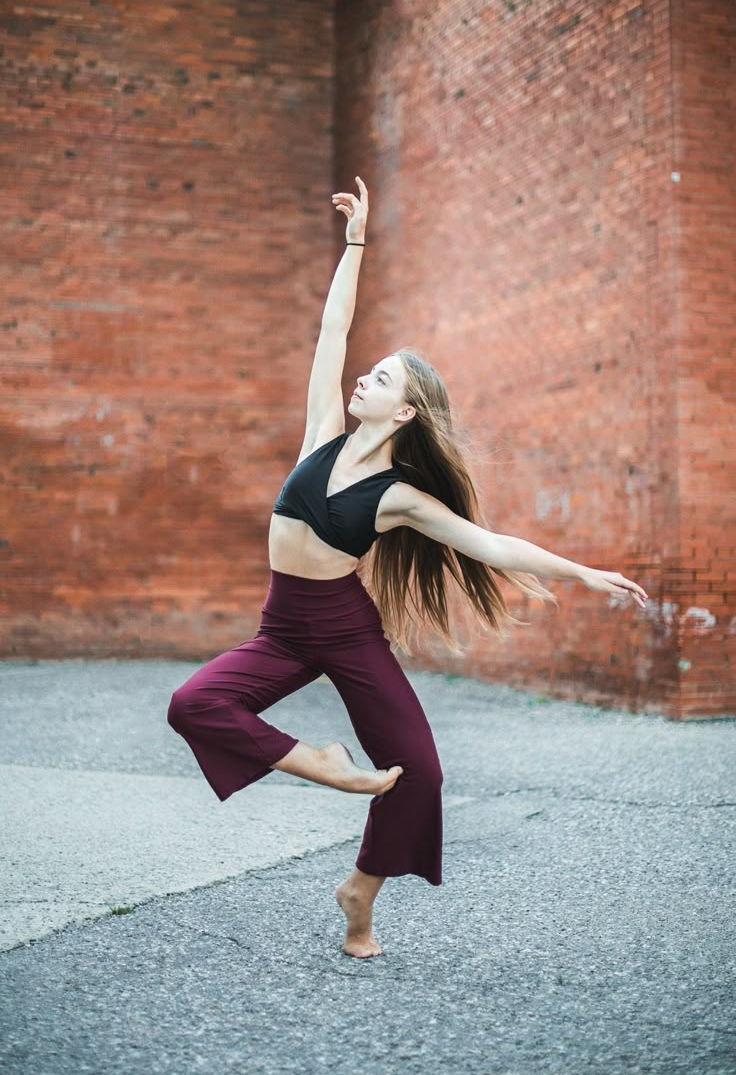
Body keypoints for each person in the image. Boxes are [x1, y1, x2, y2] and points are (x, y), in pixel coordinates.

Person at [167, 175, 648, 959]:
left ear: (406, 413)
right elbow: (333, 330)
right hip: (283, 631)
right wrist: (356, 241)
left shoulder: (399, 498)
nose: (364, 377)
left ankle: (361, 893)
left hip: (347, 634)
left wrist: (583, 571)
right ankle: (325, 768)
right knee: (192, 704)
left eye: (382, 378)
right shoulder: (322, 431)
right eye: (373, 370)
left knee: (419, 773)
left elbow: (490, 546)